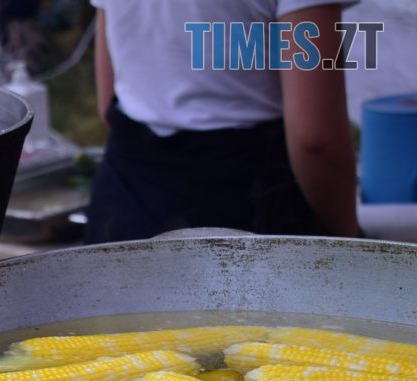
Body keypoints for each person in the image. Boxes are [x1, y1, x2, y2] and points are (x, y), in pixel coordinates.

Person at [86, 1, 361, 242]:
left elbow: (109, 97)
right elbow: (316, 141)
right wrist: (348, 239)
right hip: (247, 206)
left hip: (126, 201)